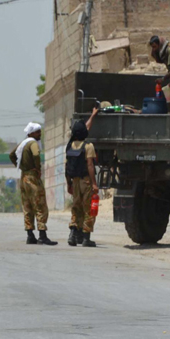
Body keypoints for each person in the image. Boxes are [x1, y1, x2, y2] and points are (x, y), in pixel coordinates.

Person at [13, 122, 56, 245]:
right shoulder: (32, 143)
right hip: (32, 177)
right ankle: (42, 235)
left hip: (24, 177)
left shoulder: (23, 144)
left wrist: (20, 166)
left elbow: (12, 155)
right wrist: (37, 168)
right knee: (40, 205)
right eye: (37, 132)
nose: (39, 134)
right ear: (31, 133)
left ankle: (30, 235)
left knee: (27, 206)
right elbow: (36, 154)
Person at [66, 106, 99, 247]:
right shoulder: (88, 146)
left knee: (76, 208)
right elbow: (90, 166)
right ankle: (86, 237)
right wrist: (94, 183)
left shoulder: (70, 146)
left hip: (75, 181)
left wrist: (69, 183)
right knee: (88, 209)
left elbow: (67, 167)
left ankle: (73, 235)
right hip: (86, 181)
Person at [149, 35, 170, 113]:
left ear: (160, 44)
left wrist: (163, 79)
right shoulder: (165, 54)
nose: (154, 49)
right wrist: (154, 51)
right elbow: (158, 60)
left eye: (155, 46)